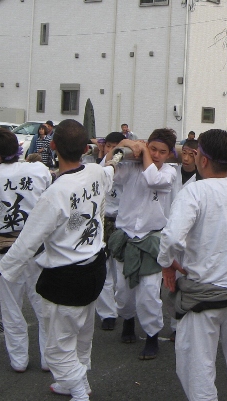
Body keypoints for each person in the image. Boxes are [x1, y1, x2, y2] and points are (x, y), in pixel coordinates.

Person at [0, 119, 116, 401]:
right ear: (86, 148)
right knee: (81, 335)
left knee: (57, 350)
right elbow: (113, 167)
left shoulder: (55, 194)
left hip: (66, 277)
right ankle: (75, 383)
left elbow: (26, 243)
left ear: (52, 145)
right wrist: (123, 150)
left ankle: (79, 393)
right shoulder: (95, 172)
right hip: (95, 267)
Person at [158, 129, 227, 401]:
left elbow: (172, 237)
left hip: (203, 295)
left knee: (198, 371)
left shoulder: (193, 191)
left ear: (203, 159)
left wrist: (166, 263)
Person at [0, 127, 52, 373]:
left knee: (11, 308)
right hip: (36, 247)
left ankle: (19, 360)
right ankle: (48, 359)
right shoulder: (38, 169)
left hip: (6, 250)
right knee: (42, 305)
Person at [107, 128, 177, 361]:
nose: (156, 154)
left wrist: (144, 151)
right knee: (123, 291)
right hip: (126, 235)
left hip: (151, 238)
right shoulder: (131, 167)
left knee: (148, 293)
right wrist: (126, 144)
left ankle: (152, 335)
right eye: (153, 149)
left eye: (162, 152)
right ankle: (127, 319)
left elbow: (153, 179)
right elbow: (107, 169)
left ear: (169, 154)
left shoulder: (169, 172)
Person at [163, 137, 201, 340]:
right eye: (184, 153)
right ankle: (175, 324)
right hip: (170, 230)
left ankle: (188, 323)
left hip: (192, 236)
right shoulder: (171, 172)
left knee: (190, 278)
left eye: (191, 155)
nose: (186, 158)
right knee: (173, 282)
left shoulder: (202, 178)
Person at [94, 131, 126, 330]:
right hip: (103, 219)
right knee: (104, 269)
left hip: (123, 223)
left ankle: (123, 308)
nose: (112, 151)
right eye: (109, 147)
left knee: (121, 272)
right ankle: (107, 313)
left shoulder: (130, 167)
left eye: (116, 148)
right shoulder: (98, 168)